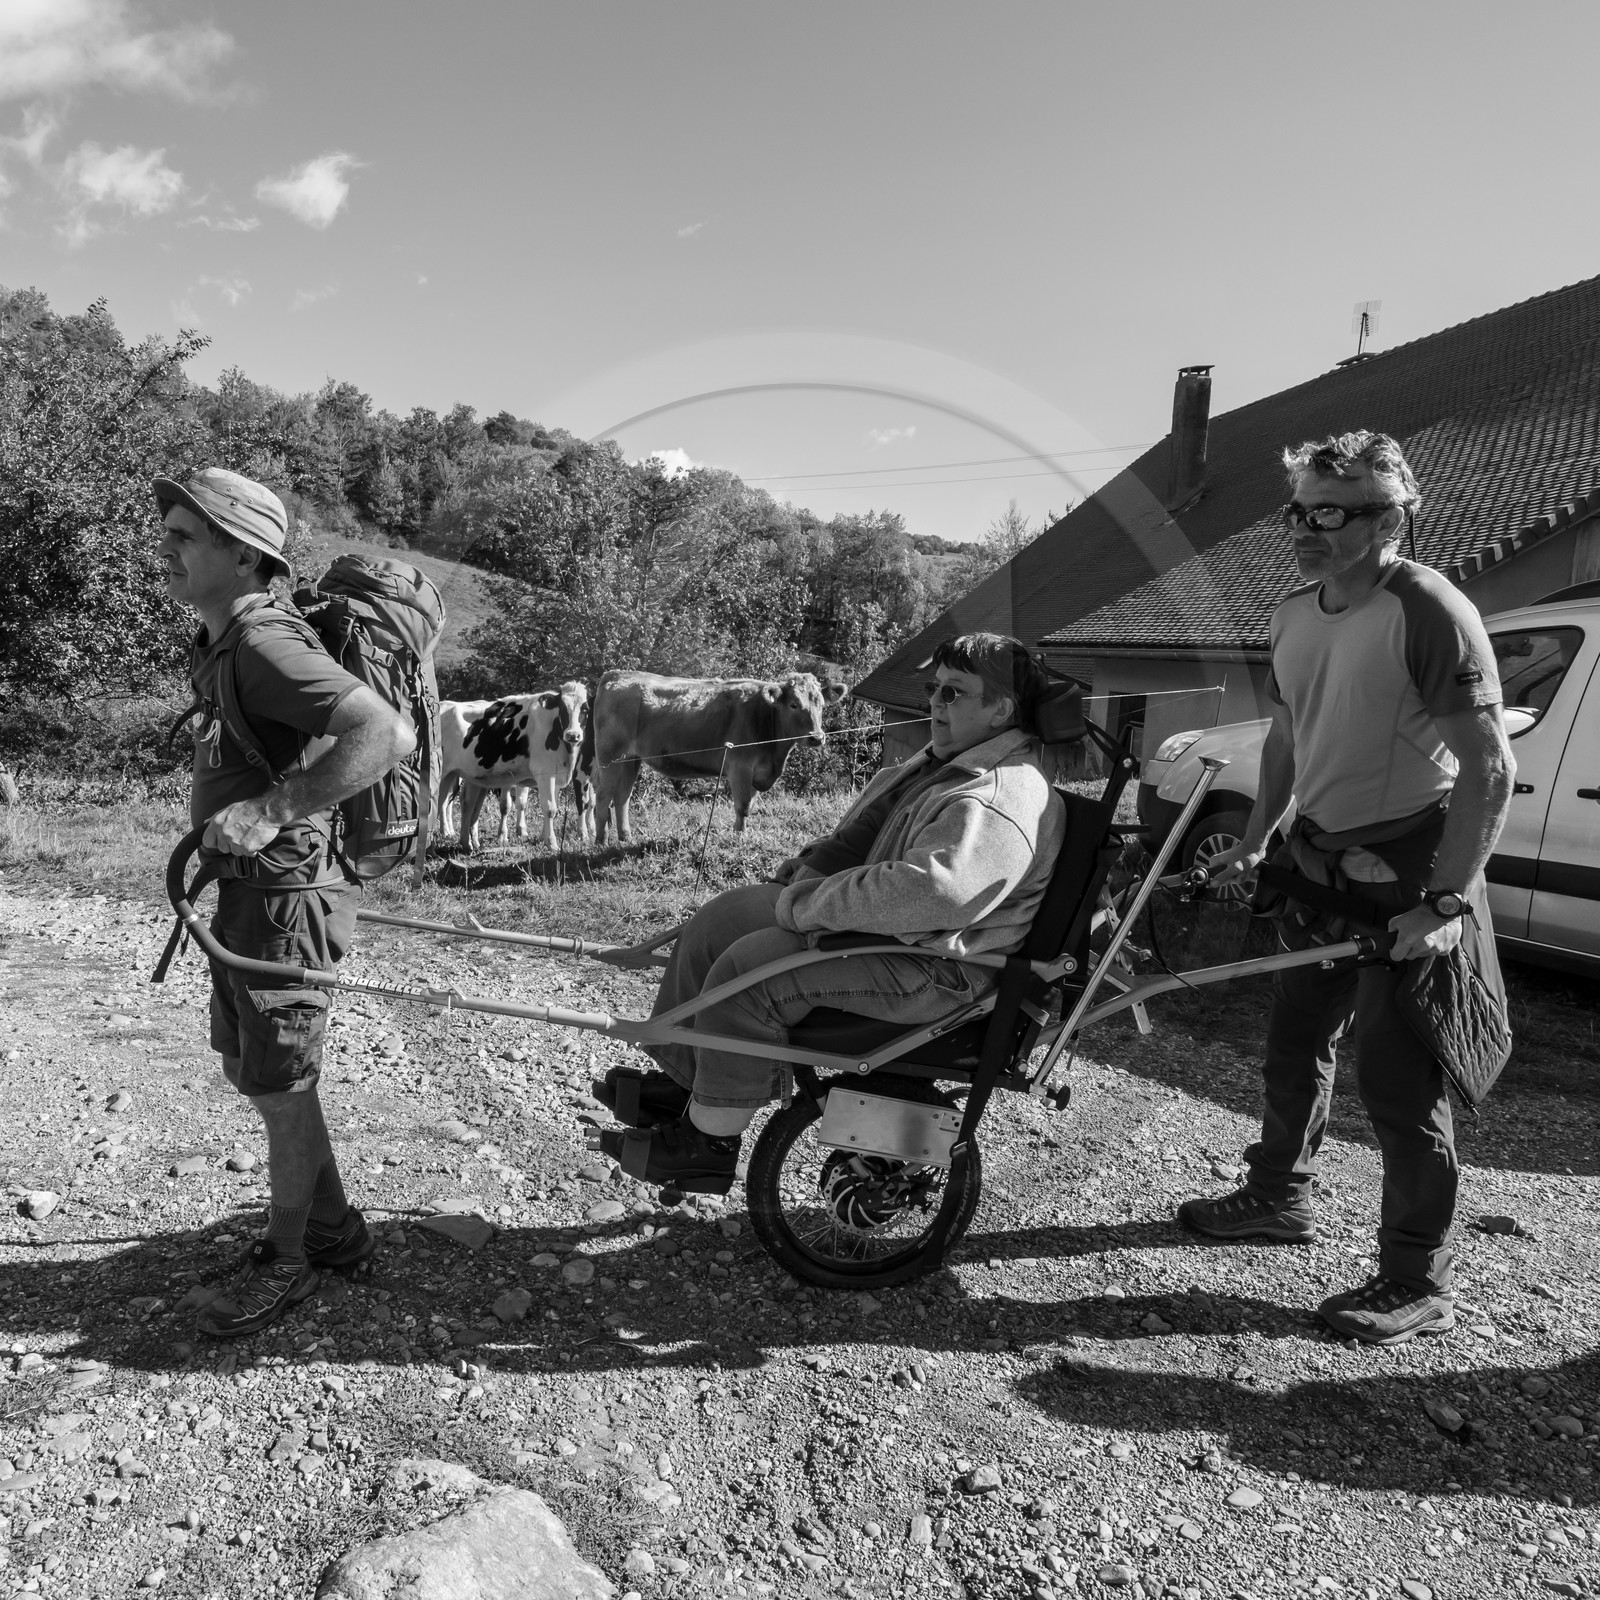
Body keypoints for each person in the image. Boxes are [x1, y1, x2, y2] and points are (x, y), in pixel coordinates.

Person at [1180, 431, 1514, 1346]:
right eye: (1299, 509)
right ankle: (1277, 1197)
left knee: (1399, 1081)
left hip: (1409, 871)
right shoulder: (1292, 612)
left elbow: (1490, 768)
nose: (1305, 528)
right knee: (1295, 1043)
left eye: (1331, 512)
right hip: (1317, 864)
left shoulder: (1429, 610)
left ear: (1390, 518)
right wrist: (1259, 840)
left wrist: (1444, 903)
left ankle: (1417, 1278)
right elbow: (1288, 736)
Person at [595, 632, 1067, 1189]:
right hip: (899, 936)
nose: (936, 703)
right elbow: (870, 836)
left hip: (940, 967)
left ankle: (708, 1145)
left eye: (954, 693)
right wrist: (808, 871)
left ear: (1001, 710)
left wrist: (809, 906)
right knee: (720, 921)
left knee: (749, 972)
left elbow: (936, 893)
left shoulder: (998, 796)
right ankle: (688, 1084)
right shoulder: (949, 762)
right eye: (933, 689)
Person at [154, 468, 416, 1339]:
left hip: (285, 901)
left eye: (186, 535)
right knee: (257, 1075)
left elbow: (384, 733)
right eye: (169, 531)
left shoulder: (266, 643)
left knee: (283, 1086)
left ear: (243, 554)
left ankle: (291, 1257)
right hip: (250, 896)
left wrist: (272, 810)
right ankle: (333, 1232)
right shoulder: (224, 641)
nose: (166, 547)